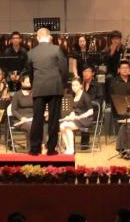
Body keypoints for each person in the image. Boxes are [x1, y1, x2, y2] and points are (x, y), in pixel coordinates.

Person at [25, 26, 68, 155]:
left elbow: (30, 72)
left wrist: (34, 85)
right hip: (55, 87)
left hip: (39, 87)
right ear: (49, 37)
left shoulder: (31, 53)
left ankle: (34, 149)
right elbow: (64, 69)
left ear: (37, 38)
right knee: (54, 119)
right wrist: (62, 85)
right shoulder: (57, 49)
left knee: (37, 119)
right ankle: (51, 149)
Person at [59, 77, 96, 154]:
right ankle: (68, 148)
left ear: (81, 85)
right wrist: (69, 116)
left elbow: (91, 111)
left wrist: (79, 117)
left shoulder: (85, 95)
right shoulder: (73, 95)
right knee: (62, 126)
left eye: (76, 85)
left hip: (85, 119)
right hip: (76, 118)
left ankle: (71, 149)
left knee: (67, 126)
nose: (74, 87)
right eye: (73, 85)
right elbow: (73, 110)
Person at [9, 74, 36, 145]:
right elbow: (13, 110)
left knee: (43, 124)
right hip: (20, 120)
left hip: (33, 118)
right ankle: (31, 147)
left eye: (31, 82)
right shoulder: (17, 95)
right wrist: (21, 118)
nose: (29, 84)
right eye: (27, 82)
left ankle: (43, 146)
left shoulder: (34, 93)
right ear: (22, 83)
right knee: (31, 126)